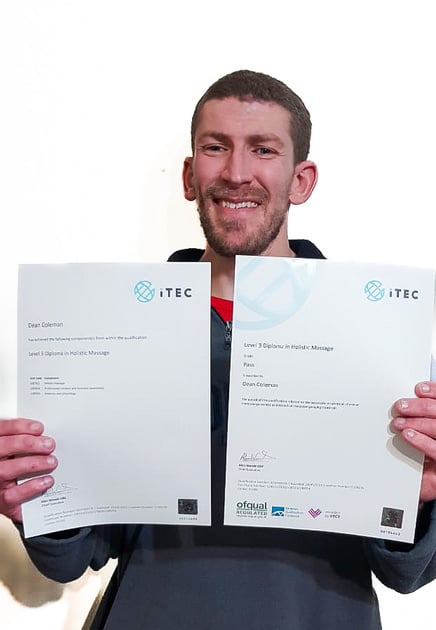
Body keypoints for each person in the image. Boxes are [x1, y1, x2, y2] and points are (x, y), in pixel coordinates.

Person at [1, 69, 435, 629]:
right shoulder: (110, 331)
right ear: (189, 175)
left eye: (263, 149)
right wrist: (34, 498)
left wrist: (422, 496)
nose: (236, 172)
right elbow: (72, 558)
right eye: (215, 147)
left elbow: (406, 572)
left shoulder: (381, 333)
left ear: (301, 180)